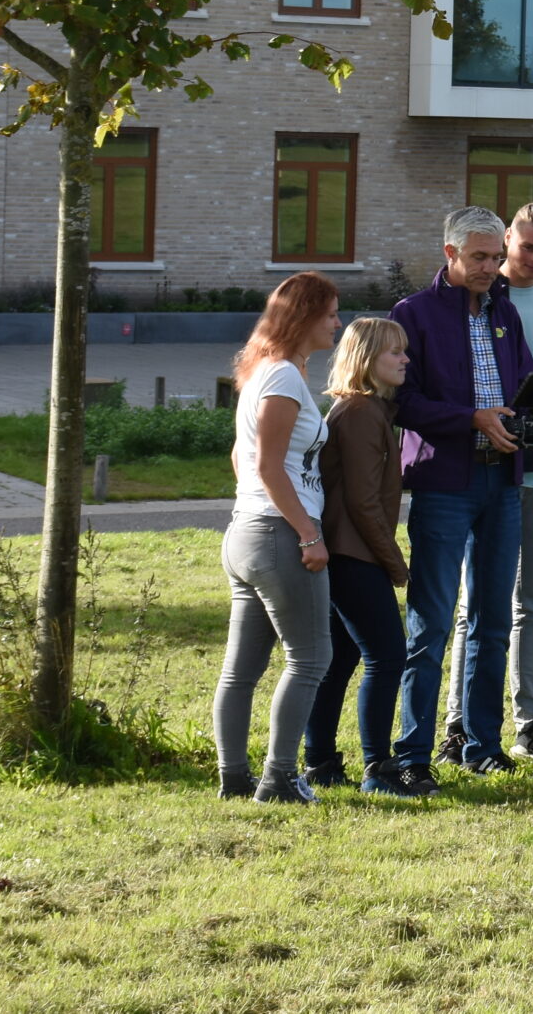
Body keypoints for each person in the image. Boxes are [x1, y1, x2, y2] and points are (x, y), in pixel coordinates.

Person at [389, 205, 533, 789]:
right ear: (448, 253)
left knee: (492, 618)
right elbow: (404, 402)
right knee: (430, 624)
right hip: (443, 483)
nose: (491, 267)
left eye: (495, 256)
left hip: (502, 481)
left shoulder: (504, 313)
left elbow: (522, 391)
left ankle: (481, 744)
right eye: (478, 257)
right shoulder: (413, 315)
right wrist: (471, 420)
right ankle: (413, 755)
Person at [441, 201, 533, 764]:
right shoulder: (478, 296)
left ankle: (531, 724)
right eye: (527, 248)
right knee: (474, 601)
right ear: (505, 242)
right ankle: (459, 723)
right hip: (489, 470)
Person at [212, 271, 343, 802]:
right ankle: (281, 778)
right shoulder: (284, 377)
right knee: (311, 659)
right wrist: (308, 533)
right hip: (276, 535)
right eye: (331, 314)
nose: (338, 323)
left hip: (246, 532)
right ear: (305, 317)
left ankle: (235, 778)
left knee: (241, 669)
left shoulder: (262, 372)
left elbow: (239, 458)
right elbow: (267, 465)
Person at [303, 316, 417, 798]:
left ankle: (321, 762)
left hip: (344, 554)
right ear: (368, 359)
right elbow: (363, 503)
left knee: (340, 658)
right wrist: (395, 564)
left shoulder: (363, 411)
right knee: (388, 656)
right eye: (395, 352)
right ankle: (378, 768)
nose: (405, 359)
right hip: (354, 555)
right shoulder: (363, 414)